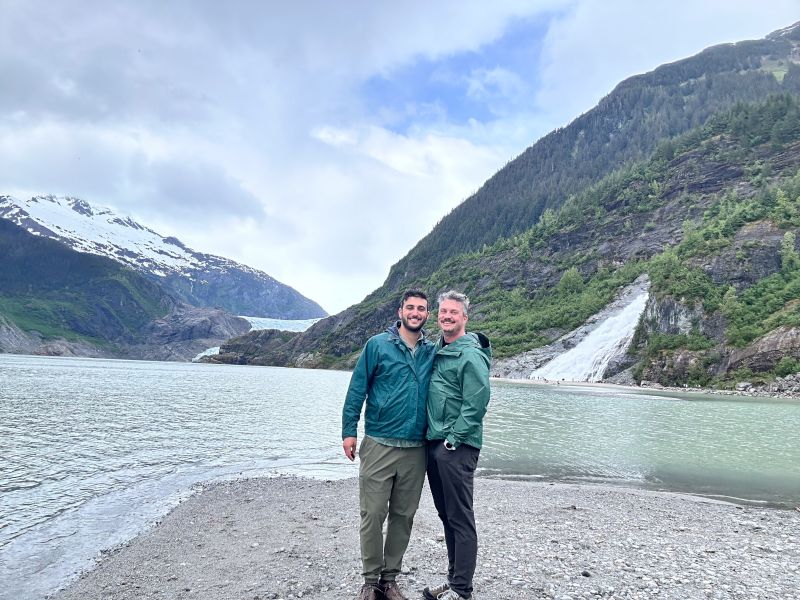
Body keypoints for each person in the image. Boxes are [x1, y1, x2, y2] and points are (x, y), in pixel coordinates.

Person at [342, 289, 436, 600]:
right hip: (379, 443)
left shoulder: (430, 351)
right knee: (372, 515)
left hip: (415, 448)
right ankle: (370, 582)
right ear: (400, 311)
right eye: (410, 307)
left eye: (421, 308)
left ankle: (389, 579)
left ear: (427, 314)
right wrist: (349, 431)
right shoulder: (377, 345)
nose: (416, 312)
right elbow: (357, 389)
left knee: (403, 516)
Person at [423, 290, 491, 600]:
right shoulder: (439, 350)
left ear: (465, 317)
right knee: (446, 516)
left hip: (456, 447)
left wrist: (452, 440)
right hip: (437, 444)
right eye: (443, 312)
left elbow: (476, 403)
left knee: (460, 517)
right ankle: (453, 579)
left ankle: (462, 590)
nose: (447, 316)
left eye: (454, 312)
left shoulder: (470, 354)